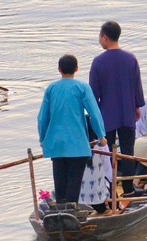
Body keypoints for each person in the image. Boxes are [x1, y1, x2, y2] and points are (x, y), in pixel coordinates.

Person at [38, 54, 107, 206]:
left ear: (59, 69)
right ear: (76, 69)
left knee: (60, 180)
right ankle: (71, 208)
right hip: (77, 144)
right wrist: (101, 136)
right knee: (74, 180)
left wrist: (43, 138)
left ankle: (61, 208)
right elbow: (94, 113)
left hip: (56, 144)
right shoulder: (82, 87)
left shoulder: (51, 88)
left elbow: (43, 117)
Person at [89, 21, 145, 197]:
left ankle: (109, 191)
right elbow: (137, 87)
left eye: (100, 36)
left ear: (105, 37)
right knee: (128, 152)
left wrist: (94, 116)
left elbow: (93, 94)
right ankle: (128, 189)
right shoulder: (131, 58)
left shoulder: (98, 62)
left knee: (106, 154)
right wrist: (137, 107)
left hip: (107, 116)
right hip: (127, 113)